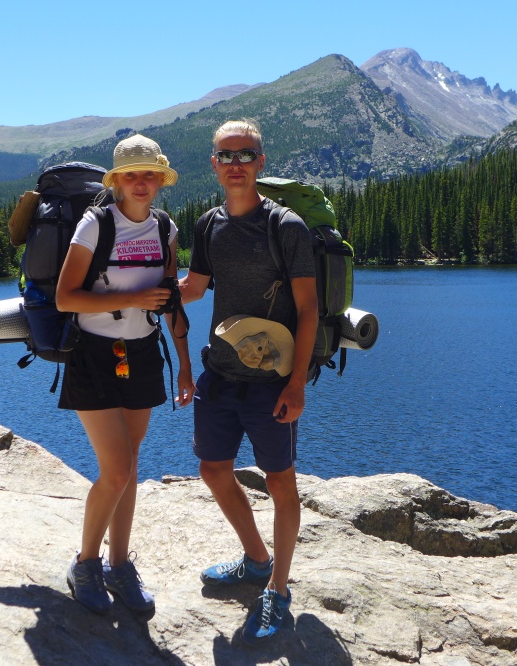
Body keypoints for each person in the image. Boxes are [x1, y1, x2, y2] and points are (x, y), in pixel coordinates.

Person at [179, 119, 317, 643]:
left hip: (271, 382)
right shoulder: (208, 225)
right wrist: (131, 287)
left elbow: (308, 309)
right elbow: (194, 288)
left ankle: (278, 589)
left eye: (244, 155)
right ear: (213, 164)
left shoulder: (285, 227)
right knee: (213, 469)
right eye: (225, 155)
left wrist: (296, 384)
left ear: (260, 162)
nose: (235, 164)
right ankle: (257, 560)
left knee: (280, 482)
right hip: (219, 374)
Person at [55, 134, 194, 614]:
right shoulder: (95, 225)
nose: (140, 182)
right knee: (115, 470)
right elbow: (66, 298)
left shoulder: (165, 229)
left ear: (160, 180)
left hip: (144, 354)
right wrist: (131, 298)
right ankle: (85, 564)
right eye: (131, 175)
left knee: (129, 467)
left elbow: (170, 301)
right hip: (94, 355)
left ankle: (119, 566)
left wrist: (185, 365)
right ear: (116, 181)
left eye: (149, 174)